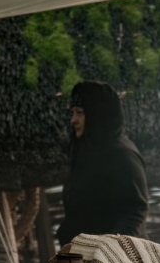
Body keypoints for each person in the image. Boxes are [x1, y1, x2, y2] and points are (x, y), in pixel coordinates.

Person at [55, 80, 149, 245]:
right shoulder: (86, 152)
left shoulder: (123, 156)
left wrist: (109, 248)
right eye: (73, 113)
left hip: (115, 256)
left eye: (80, 113)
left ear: (97, 114)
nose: (73, 120)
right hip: (84, 252)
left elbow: (135, 212)